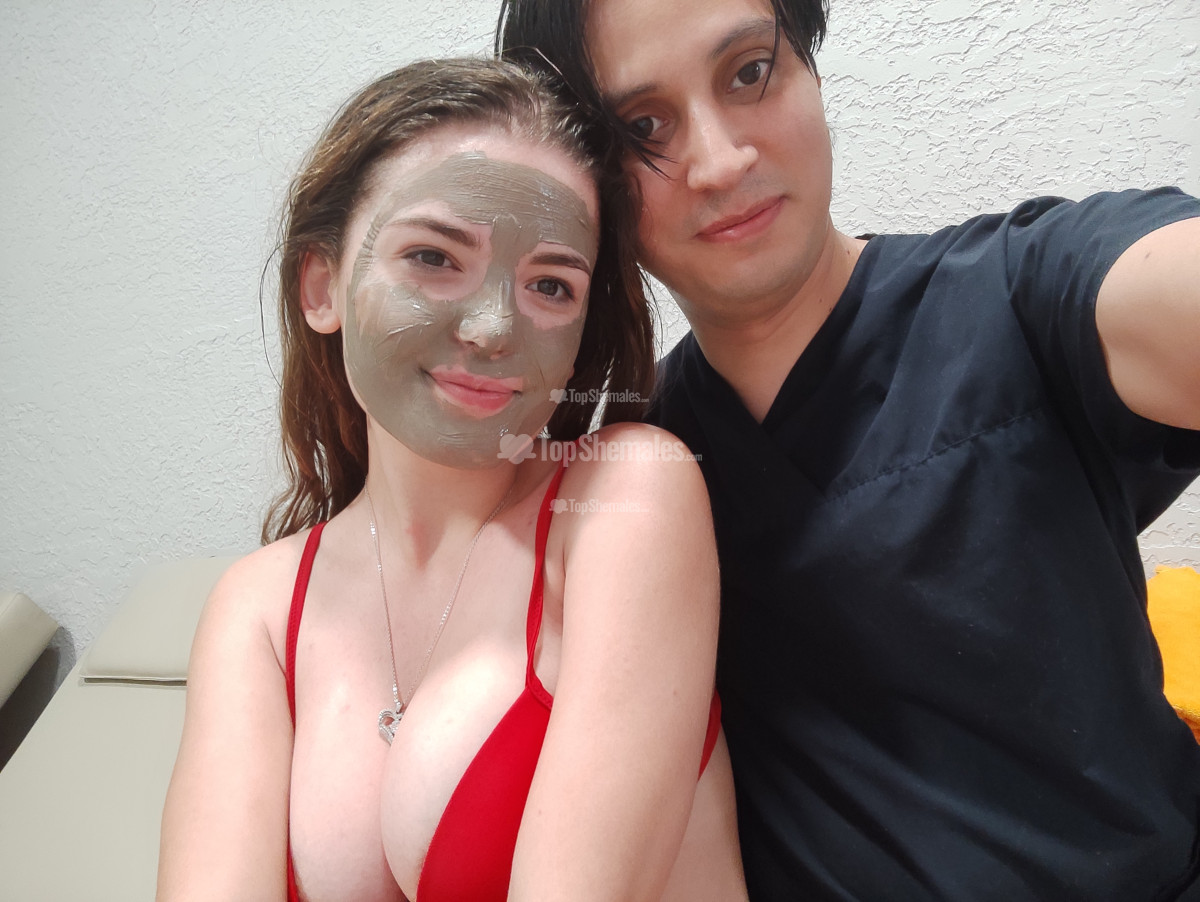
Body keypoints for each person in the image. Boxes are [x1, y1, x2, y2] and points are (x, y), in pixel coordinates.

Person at [496, 1, 1200, 899]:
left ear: (809, 67)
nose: (721, 162)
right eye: (643, 127)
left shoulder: (1018, 296)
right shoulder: (631, 479)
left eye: (749, 73)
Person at [157, 58, 749, 901]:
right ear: (322, 286)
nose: (493, 328)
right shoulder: (256, 608)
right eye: (434, 257)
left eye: (551, 285)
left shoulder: (624, 498)